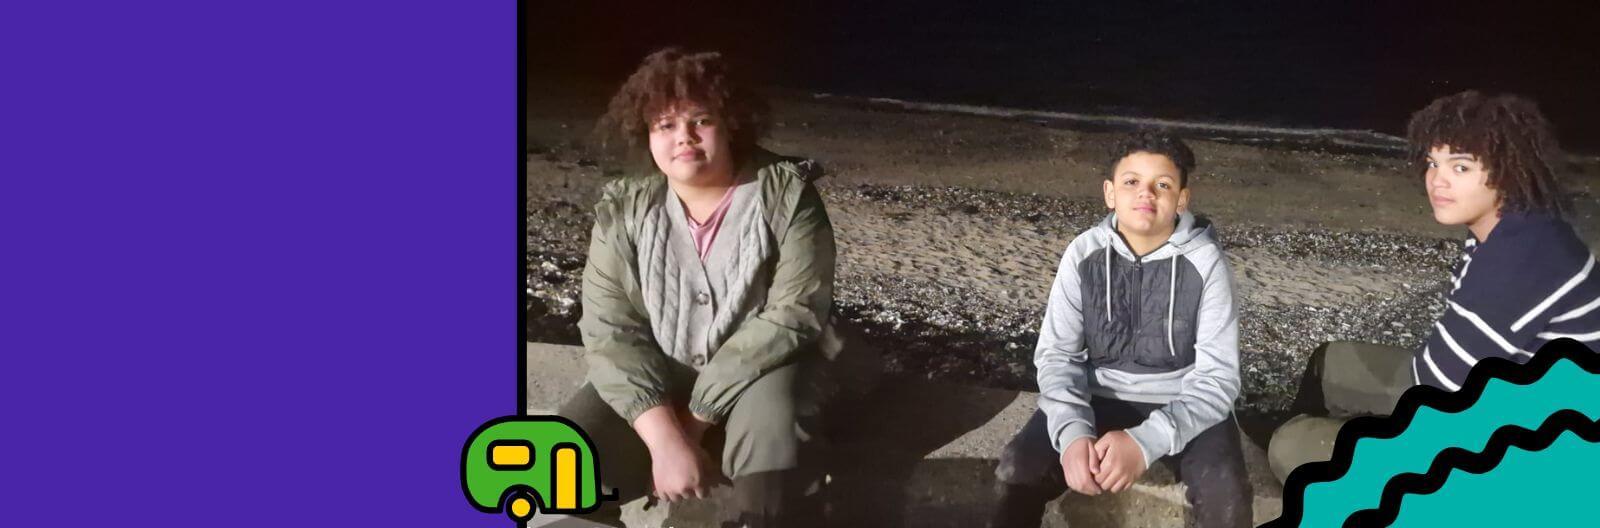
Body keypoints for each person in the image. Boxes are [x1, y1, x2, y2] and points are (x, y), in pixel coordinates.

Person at [560, 48, 840, 527]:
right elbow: (610, 329)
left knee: (776, 450)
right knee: (565, 464)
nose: (683, 138)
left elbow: (795, 315)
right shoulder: (623, 208)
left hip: (763, 372)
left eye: (701, 121)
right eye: (665, 125)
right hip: (659, 374)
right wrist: (664, 439)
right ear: (645, 134)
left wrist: (693, 422)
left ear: (731, 123)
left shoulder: (788, 194)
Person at [1267, 91, 1600, 483]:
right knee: (1332, 361)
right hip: (1496, 398)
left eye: (1460, 168)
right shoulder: (1513, 225)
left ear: (1508, 172)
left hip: (1528, 456)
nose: (1436, 181)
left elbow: (1437, 397)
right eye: (1432, 163)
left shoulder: (1519, 260)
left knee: (1292, 447)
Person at [990, 131, 1252, 528]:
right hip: (1097, 396)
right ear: (1110, 193)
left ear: (1181, 198)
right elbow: (1058, 356)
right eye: (1132, 182)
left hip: (1184, 400)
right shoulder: (1083, 253)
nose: (1145, 193)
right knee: (1017, 469)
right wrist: (1073, 433)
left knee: (1228, 493)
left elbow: (1218, 379)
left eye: (1162, 185)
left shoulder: (1207, 263)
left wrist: (1144, 443)